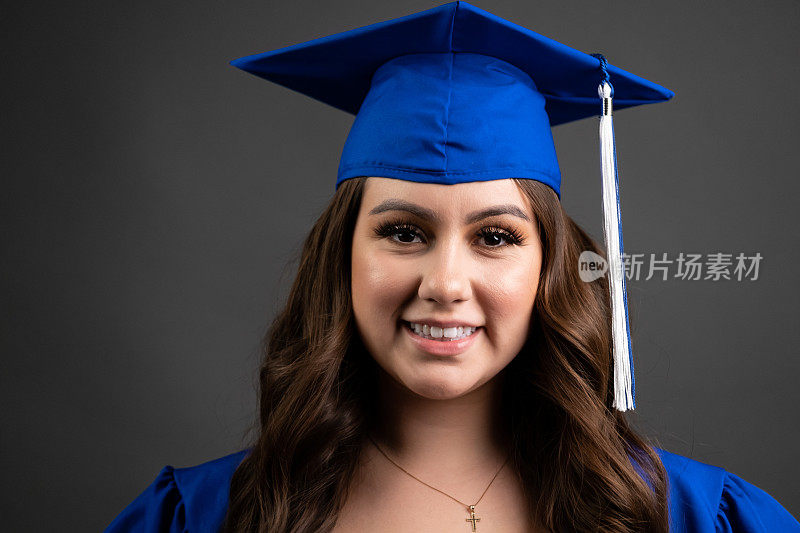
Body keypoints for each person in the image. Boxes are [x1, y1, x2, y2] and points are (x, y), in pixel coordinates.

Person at [105, 2, 800, 532]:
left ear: (549, 266)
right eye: (403, 232)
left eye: (496, 237)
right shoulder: (202, 516)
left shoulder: (692, 516)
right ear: (342, 254)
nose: (443, 283)